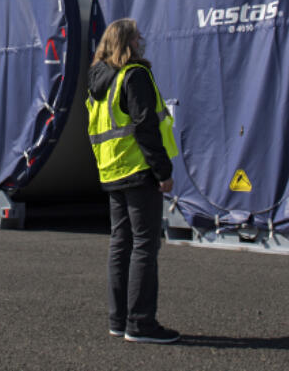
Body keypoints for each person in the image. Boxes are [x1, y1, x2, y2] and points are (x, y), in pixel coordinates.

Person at [86, 18, 180, 344]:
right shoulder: (133, 75)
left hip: (112, 172)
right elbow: (145, 126)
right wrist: (163, 172)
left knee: (120, 243)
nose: (142, 39)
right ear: (128, 42)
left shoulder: (99, 83)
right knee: (144, 245)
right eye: (137, 35)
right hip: (139, 172)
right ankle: (140, 323)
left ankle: (119, 319)